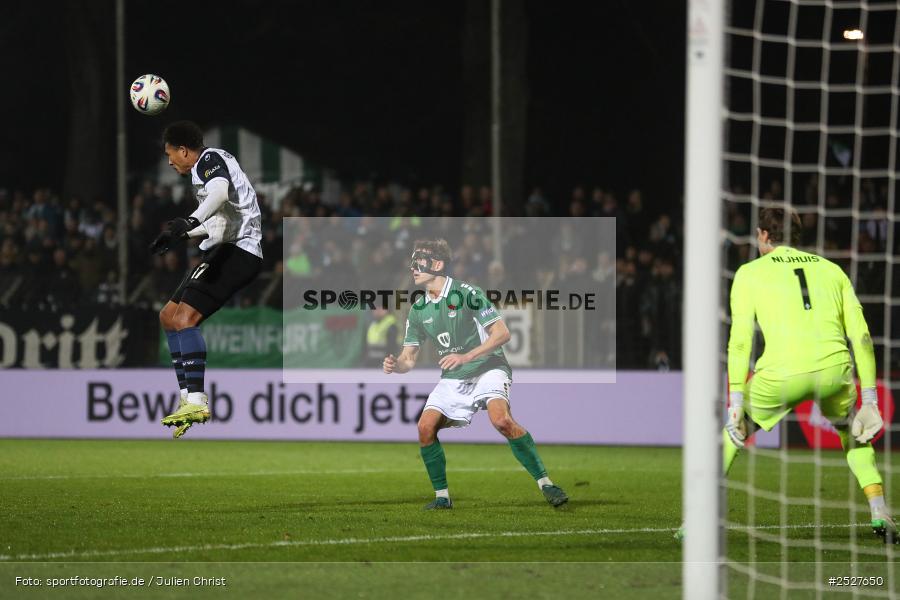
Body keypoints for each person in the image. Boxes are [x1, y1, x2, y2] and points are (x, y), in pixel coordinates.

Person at [700, 207, 896, 543]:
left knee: (737, 428)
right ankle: (879, 510)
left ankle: (699, 518)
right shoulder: (833, 270)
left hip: (781, 374)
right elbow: (862, 337)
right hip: (834, 370)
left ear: (763, 235)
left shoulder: (749, 273)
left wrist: (735, 398)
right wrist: (870, 399)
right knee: (854, 431)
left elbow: (740, 341)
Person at [382, 239, 568, 509]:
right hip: (454, 378)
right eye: (412, 260)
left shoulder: (466, 293)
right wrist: (395, 365)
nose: (413, 267)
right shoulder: (419, 309)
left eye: (419, 260)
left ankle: (547, 484)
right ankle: (442, 498)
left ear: (438, 264)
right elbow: (408, 358)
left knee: (501, 421)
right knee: (425, 427)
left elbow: (502, 333)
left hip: (488, 367)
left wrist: (466, 356)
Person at [152, 121, 263, 438]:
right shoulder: (209, 166)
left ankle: (197, 399)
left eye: (170, 154)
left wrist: (189, 219)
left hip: (239, 251)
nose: (170, 161)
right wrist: (181, 235)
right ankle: (187, 396)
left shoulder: (208, 161)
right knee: (169, 317)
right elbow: (218, 218)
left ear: (184, 150)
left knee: (186, 318)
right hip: (226, 248)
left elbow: (219, 194)